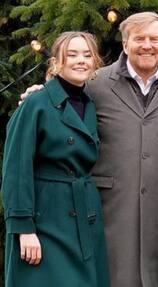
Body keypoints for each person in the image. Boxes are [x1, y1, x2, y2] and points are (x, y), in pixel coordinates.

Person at [20, 12, 158, 287]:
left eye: (154, 39)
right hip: (104, 213)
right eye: (139, 39)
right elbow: (59, 97)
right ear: (125, 44)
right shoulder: (95, 82)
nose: (147, 45)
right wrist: (35, 95)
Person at [1, 31, 108, 287]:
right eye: (72, 55)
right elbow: (16, 168)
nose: (80, 60)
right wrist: (23, 228)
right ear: (56, 62)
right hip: (45, 220)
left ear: (95, 62)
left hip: (85, 218)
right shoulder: (36, 103)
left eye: (87, 55)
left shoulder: (89, 104)